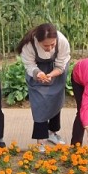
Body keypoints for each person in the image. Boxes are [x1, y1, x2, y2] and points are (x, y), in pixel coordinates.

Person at [17, 23, 71, 152]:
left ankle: (53, 133)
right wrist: (39, 74)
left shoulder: (62, 41)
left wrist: (51, 75)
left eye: (52, 45)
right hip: (37, 71)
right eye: (46, 45)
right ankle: (40, 139)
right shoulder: (28, 45)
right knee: (39, 104)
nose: (50, 48)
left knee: (56, 100)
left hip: (57, 70)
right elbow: (30, 66)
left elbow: (60, 65)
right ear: (38, 40)